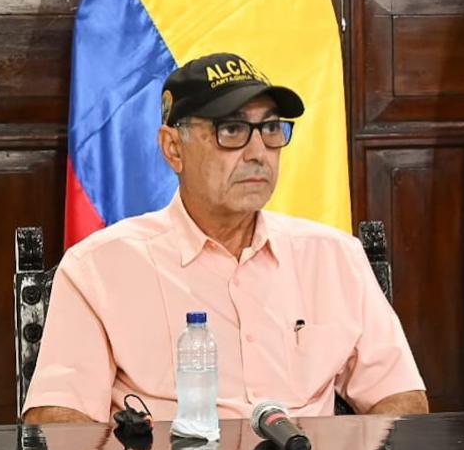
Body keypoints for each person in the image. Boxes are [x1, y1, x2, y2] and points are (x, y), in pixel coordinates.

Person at [24, 53, 428, 423]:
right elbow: (58, 424)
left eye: (270, 129)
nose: (258, 152)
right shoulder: (99, 268)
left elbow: (401, 400)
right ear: (172, 148)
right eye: (232, 129)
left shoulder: (334, 257)